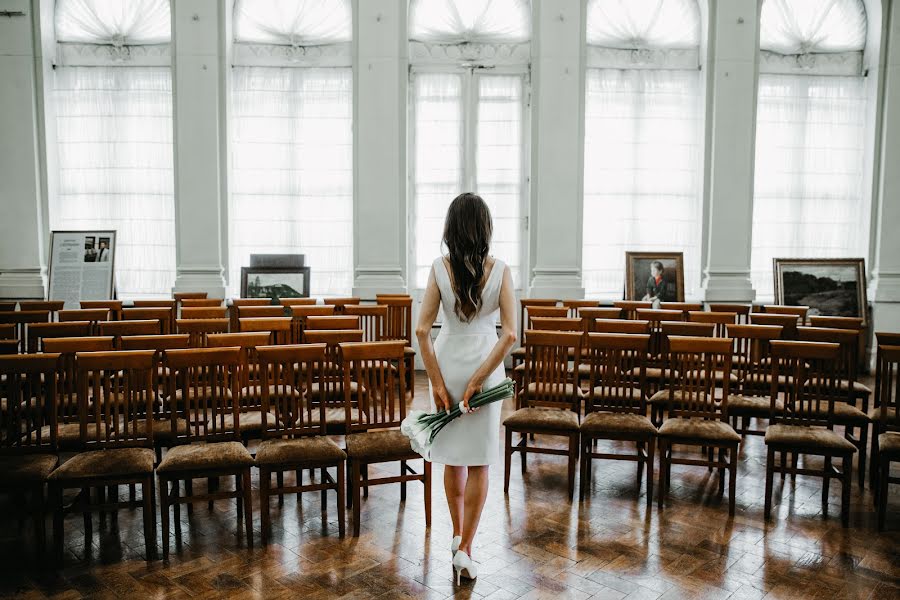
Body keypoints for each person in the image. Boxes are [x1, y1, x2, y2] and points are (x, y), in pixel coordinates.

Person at [415, 193, 517, 584]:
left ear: (451, 229)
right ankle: (466, 549)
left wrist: (438, 384)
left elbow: (423, 330)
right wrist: (479, 380)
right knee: (479, 461)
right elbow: (509, 334)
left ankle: (456, 533)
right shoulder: (502, 270)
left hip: (446, 364)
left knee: (454, 458)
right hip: (484, 367)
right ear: (485, 229)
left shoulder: (439, 268)